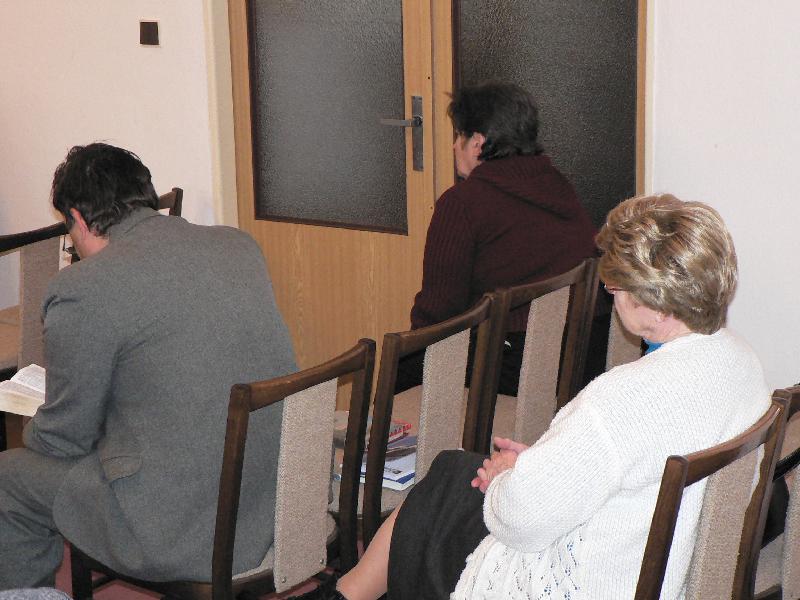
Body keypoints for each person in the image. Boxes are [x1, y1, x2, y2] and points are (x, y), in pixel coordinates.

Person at [294, 194, 771, 599]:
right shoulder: (741, 359)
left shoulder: (619, 400)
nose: (612, 297)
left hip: (603, 578)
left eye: (615, 288)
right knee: (455, 471)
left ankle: (344, 593)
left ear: (651, 303)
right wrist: (538, 465)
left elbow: (521, 523)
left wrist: (508, 478)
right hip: (660, 553)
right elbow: (620, 460)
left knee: (446, 489)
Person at [0, 143, 297, 589]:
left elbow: (63, 438)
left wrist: (32, 428)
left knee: (9, 478)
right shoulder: (237, 244)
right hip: (273, 502)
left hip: (184, 532)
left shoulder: (82, 288)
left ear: (78, 218)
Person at [395, 81, 597, 396]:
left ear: (477, 143)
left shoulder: (462, 203)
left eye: (458, 135)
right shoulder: (557, 184)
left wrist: (408, 353)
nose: (454, 146)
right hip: (578, 352)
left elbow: (438, 312)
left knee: (399, 366)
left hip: (512, 364)